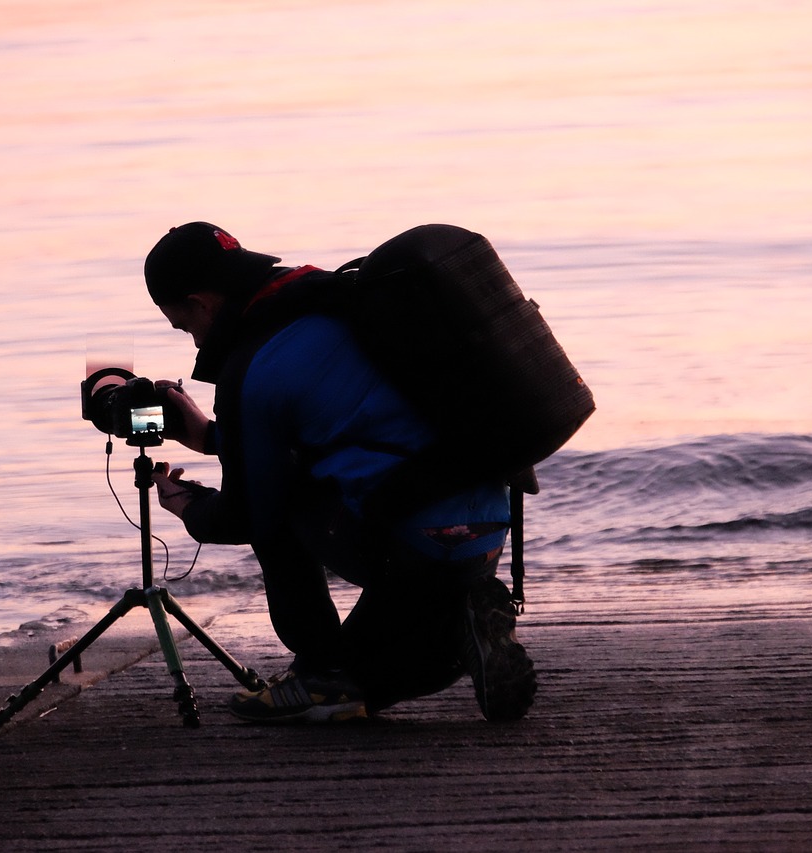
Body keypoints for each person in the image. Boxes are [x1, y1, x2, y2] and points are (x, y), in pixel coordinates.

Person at [143, 221, 537, 724]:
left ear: (201, 303)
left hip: (409, 540)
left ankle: (323, 673)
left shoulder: (253, 367)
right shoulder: (347, 303)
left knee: (277, 515)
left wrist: (185, 504)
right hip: (484, 525)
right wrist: (206, 436)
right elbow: (352, 428)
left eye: (184, 325)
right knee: (400, 671)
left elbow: (245, 514)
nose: (193, 339)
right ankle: (464, 614)